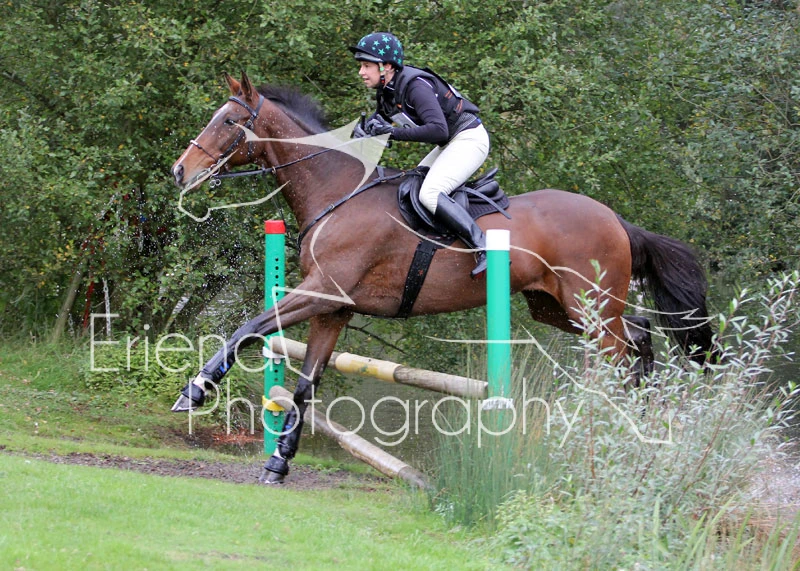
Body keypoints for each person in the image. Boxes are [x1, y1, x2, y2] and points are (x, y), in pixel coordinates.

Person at [350, 32, 491, 278]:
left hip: (469, 139)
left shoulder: (415, 86)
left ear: (387, 66)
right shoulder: (387, 90)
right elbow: (379, 121)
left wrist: (392, 134)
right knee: (410, 185)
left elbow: (438, 130)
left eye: (366, 66)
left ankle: (483, 246)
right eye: (361, 66)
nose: (361, 72)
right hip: (450, 143)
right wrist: (363, 131)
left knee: (430, 193)